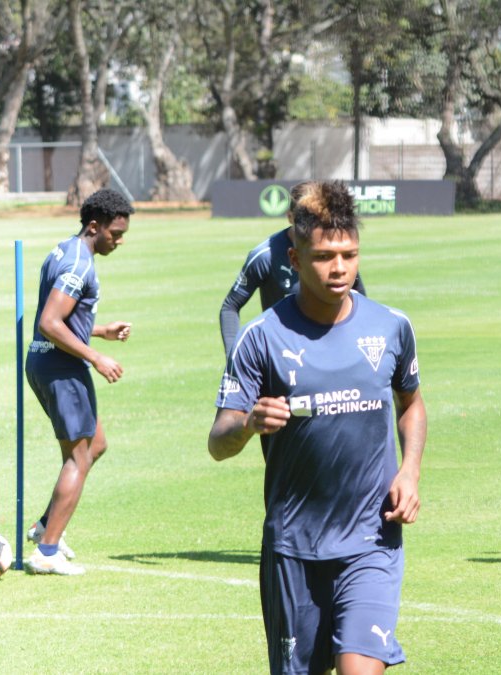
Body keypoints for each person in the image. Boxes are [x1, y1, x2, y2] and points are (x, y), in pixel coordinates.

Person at [208, 180, 426, 674]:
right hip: (294, 547)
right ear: (294, 257)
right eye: (326, 256)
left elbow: (411, 404)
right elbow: (218, 442)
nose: (340, 268)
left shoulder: (391, 326)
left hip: (372, 539)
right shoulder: (259, 338)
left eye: (350, 255)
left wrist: (409, 471)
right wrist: (247, 423)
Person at [23, 188, 135, 576]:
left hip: (51, 363)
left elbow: (64, 319)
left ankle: (43, 526)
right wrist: (97, 356)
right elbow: (50, 322)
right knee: (79, 457)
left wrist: (100, 331)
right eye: (115, 234)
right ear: (94, 226)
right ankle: (46, 551)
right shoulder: (79, 266)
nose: (118, 241)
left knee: (95, 445)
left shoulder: (66, 249)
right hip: (61, 367)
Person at [219, 182, 366, 357]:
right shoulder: (265, 256)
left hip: (332, 351)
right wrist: (233, 357)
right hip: (283, 356)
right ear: (290, 217)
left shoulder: (336, 254)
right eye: (304, 218)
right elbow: (230, 306)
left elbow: (360, 300)